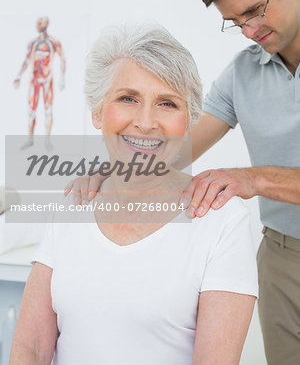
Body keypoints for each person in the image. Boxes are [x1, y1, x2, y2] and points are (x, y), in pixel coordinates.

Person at [66, 0, 300, 365]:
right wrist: (117, 169)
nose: (250, 31)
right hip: (284, 258)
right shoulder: (243, 73)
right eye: (236, 22)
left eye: (254, 12)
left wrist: (255, 178)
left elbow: (250, 179)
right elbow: (177, 146)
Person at [10, 25, 257, 365]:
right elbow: (31, 349)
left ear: (187, 123)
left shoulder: (221, 218)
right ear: (98, 111)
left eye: (167, 103)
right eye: (128, 98)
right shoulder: (74, 202)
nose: (146, 122)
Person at [13, 16, 66, 149]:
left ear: (45, 24)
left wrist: (62, 78)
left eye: (39, 23)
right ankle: (30, 139)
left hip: (47, 79)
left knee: (48, 110)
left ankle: (47, 140)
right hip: (34, 80)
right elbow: (26, 60)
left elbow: (62, 58)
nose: (36, 25)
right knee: (31, 110)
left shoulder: (53, 42)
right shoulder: (33, 43)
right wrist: (19, 75)